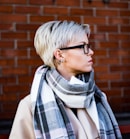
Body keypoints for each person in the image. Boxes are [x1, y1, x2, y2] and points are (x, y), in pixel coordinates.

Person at [9, 20, 122, 139]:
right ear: (60, 54)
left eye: (88, 46)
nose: (91, 52)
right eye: (83, 46)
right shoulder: (30, 106)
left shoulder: (97, 97)